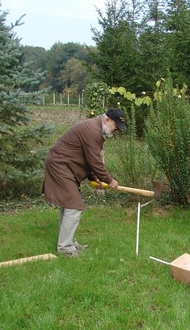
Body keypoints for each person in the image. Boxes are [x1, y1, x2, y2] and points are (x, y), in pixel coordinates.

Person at [43, 108, 127, 257]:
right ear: (107, 120)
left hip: (65, 166)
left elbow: (89, 158)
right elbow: (94, 160)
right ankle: (65, 248)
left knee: (69, 205)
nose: (116, 132)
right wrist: (109, 180)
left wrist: (95, 177)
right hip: (60, 165)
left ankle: (68, 242)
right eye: (116, 127)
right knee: (74, 205)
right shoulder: (92, 131)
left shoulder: (96, 131)